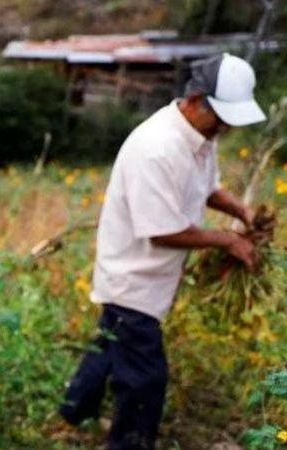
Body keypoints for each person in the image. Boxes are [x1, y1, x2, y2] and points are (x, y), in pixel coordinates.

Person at [59, 53, 266, 449]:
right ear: (195, 99)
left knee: (111, 344)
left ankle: (73, 409)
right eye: (221, 117)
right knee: (144, 379)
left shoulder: (201, 139)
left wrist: (240, 210)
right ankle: (129, 442)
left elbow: (207, 188)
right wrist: (229, 240)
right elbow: (161, 231)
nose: (225, 127)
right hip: (133, 278)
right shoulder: (156, 147)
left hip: (152, 277)